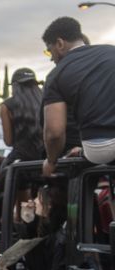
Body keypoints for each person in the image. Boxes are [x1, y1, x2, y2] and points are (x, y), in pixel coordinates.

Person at [42, 17, 115, 176]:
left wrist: (51, 161)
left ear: (59, 44)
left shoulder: (55, 76)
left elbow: (54, 133)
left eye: (49, 50)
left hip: (101, 147)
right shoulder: (111, 51)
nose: (51, 57)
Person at [0, 68, 44, 167]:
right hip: (47, 157)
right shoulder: (47, 101)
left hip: (21, 161)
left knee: (3, 171)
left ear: (15, 86)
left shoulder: (6, 106)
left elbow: (8, 141)